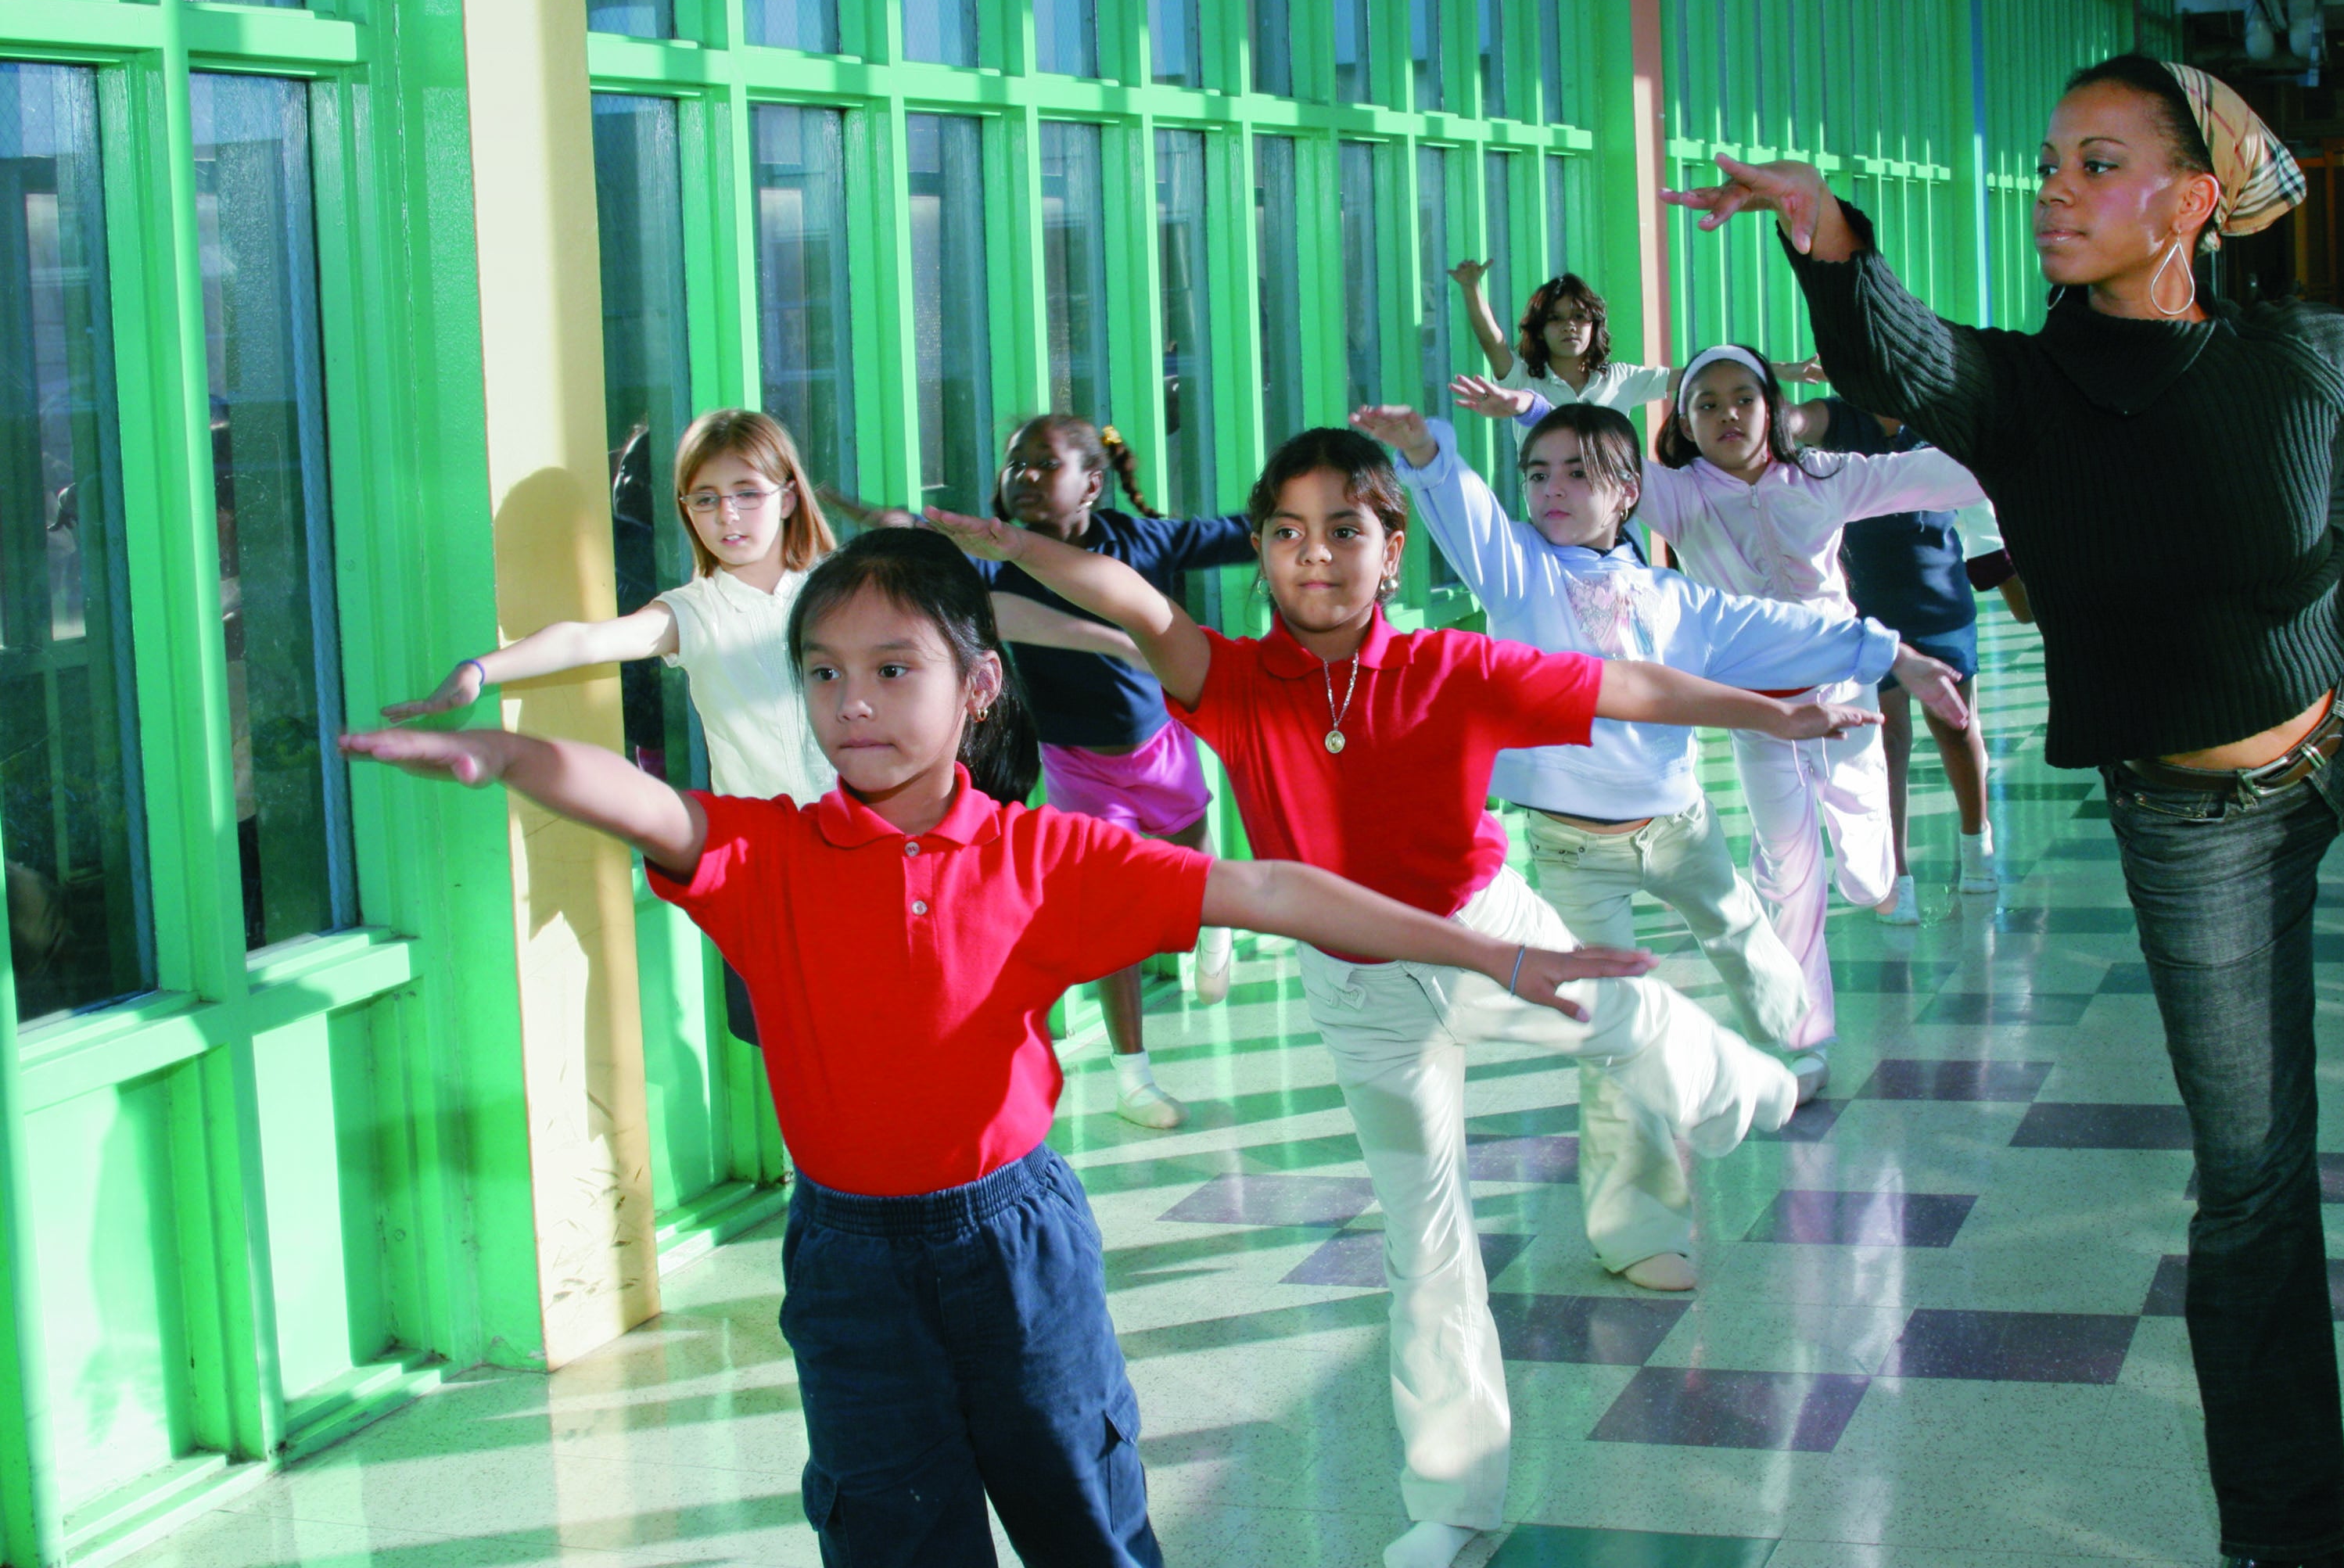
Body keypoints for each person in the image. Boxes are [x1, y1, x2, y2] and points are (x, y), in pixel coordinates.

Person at [1664, 52, 2344, 1568]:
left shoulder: (2299, 354)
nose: (2056, 191)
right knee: (2251, 1185)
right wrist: (1827, 233)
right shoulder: (2020, 392)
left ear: (2195, 200)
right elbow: (1902, 357)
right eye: (2050, 162)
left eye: (2097, 163)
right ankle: (2290, 1542)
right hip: (2199, 826)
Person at [342, 529, 1658, 1568]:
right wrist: (508, 754)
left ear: (976, 689)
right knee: (887, 1526)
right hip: (848, 1260)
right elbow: (637, 801)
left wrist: (1491, 951)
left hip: (1012, 1245)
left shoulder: (1045, 858)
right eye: (821, 673)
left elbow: (1264, 890)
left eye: (891, 667)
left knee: (1081, 1511)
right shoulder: (769, 854)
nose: (851, 703)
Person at [928, 428, 1868, 1568]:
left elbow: (1631, 683)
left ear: (1391, 547)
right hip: (1357, 985)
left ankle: (1743, 1089)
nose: (1311, 557)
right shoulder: (1229, 684)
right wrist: (1009, 548)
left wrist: (1776, 714)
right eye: (1284, 533)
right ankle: (1457, 1501)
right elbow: (1130, 598)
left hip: (1488, 934)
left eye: (1342, 530)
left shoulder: (1452, 670)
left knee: (1631, 1021)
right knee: (1425, 1242)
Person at [1353, 398, 1970, 1289]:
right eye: (1537, 472)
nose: (1552, 489)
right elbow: (1471, 518)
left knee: (1746, 938)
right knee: (1616, 1034)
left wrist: (1894, 654)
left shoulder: (1675, 599)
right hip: (1571, 851)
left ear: (1629, 493)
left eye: (1577, 472)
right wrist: (1425, 452)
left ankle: (1790, 1043)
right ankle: (1637, 1228)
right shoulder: (1519, 571)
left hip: (1679, 824)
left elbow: (1782, 629)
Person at [388, 407, 1129, 1046]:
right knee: (805, 1048)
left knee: (918, 1030)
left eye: (747, 493)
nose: (729, 517)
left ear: (786, 496)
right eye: (706, 500)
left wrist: (1112, 636)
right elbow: (585, 640)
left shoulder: (843, 587)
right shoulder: (692, 612)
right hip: (778, 871)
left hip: (883, 851)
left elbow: (983, 615)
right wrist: (481, 670)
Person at [1457, 345, 1988, 1045]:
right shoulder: (1677, 493)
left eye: (1743, 398)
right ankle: (1804, 1033)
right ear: (1684, 419)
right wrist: (1529, 406)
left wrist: (2023, 446)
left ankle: (1869, 875)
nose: (1726, 414)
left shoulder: (1825, 476)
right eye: (1705, 403)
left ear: (1773, 408)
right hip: (1755, 703)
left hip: (1843, 683)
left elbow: (1931, 476)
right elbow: (1595, 454)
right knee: (1794, 876)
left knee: (1862, 866)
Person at [976, 413, 1257, 1128]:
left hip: (1160, 744)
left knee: (1195, 851)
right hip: (1077, 765)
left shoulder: (1142, 542)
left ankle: (1214, 926)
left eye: (1045, 464)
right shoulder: (998, 562)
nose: (1027, 478)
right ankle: (1134, 1079)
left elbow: (1238, 532)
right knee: (1109, 917)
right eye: (1016, 466)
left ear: (1093, 484)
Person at [1800, 400, 2028, 924]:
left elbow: (1981, 522)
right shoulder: (1833, 431)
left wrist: (2018, 589)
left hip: (1940, 600)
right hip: (1867, 605)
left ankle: (1978, 844)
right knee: (1888, 741)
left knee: (1957, 725)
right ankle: (1894, 873)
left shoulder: (1943, 427)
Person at [1448, 261, 1827, 429]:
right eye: (1557, 319)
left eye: (1581, 318)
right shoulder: (1522, 379)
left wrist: (1784, 370)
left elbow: (1703, 373)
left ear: (1596, 327)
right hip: (1552, 517)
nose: (1570, 327)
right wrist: (1471, 287)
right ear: (1539, 329)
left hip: (1617, 518)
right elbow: (1491, 337)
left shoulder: (1621, 379)